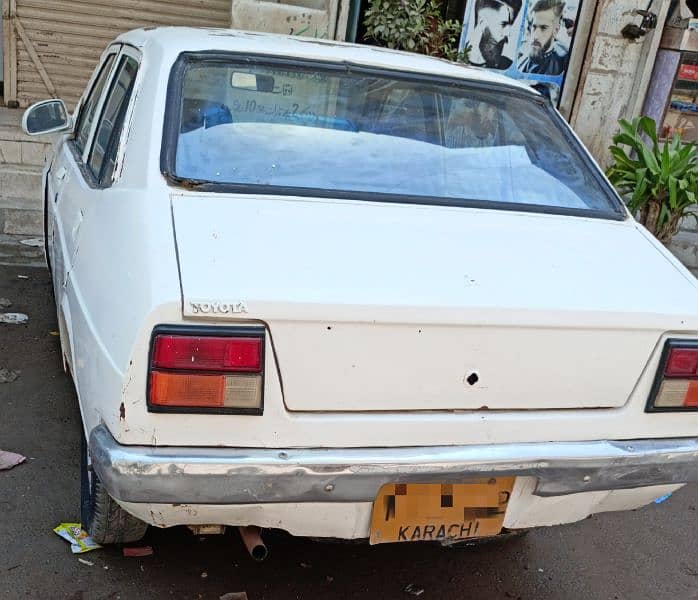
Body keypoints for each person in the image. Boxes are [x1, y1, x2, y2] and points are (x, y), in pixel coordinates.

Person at [517, 0, 569, 76]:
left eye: (543, 28)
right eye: (534, 27)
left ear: (556, 31)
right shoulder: (522, 59)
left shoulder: (563, 63)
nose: (535, 36)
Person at [467, 0, 523, 70]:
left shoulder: (507, 66)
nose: (507, 34)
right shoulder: (457, 61)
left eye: (510, 25)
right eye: (503, 24)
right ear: (482, 23)